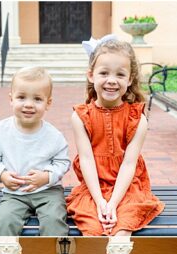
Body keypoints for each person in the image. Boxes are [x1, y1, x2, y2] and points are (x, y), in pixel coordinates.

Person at [66, 36, 164, 235]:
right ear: (91, 75)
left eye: (120, 74)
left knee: (122, 228)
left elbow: (129, 164)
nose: (111, 80)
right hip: (94, 186)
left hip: (127, 188)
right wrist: (101, 202)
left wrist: (113, 203)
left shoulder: (137, 119)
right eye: (104, 73)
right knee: (93, 229)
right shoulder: (80, 117)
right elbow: (86, 160)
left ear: (129, 80)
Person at [0, 66, 70, 237]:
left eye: (37, 99)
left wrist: (46, 176)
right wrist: (2, 175)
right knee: (5, 221)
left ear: (48, 103)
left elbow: (63, 162)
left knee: (54, 219)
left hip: (48, 192)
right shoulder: (1, 129)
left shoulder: (54, 135)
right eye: (21, 97)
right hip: (14, 193)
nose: (29, 105)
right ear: (11, 99)